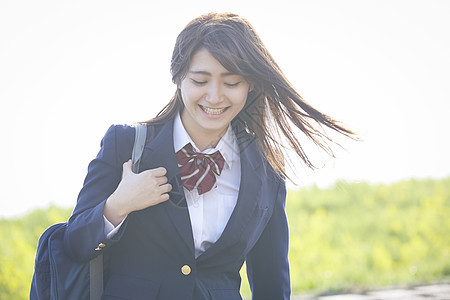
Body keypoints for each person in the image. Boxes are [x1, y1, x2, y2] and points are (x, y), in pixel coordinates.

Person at [63, 12, 355, 300]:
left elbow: (271, 279)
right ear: (178, 78)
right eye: (200, 81)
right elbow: (74, 244)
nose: (215, 97)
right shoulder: (126, 144)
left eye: (231, 83)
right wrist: (118, 205)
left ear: (250, 84)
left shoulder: (266, 167)